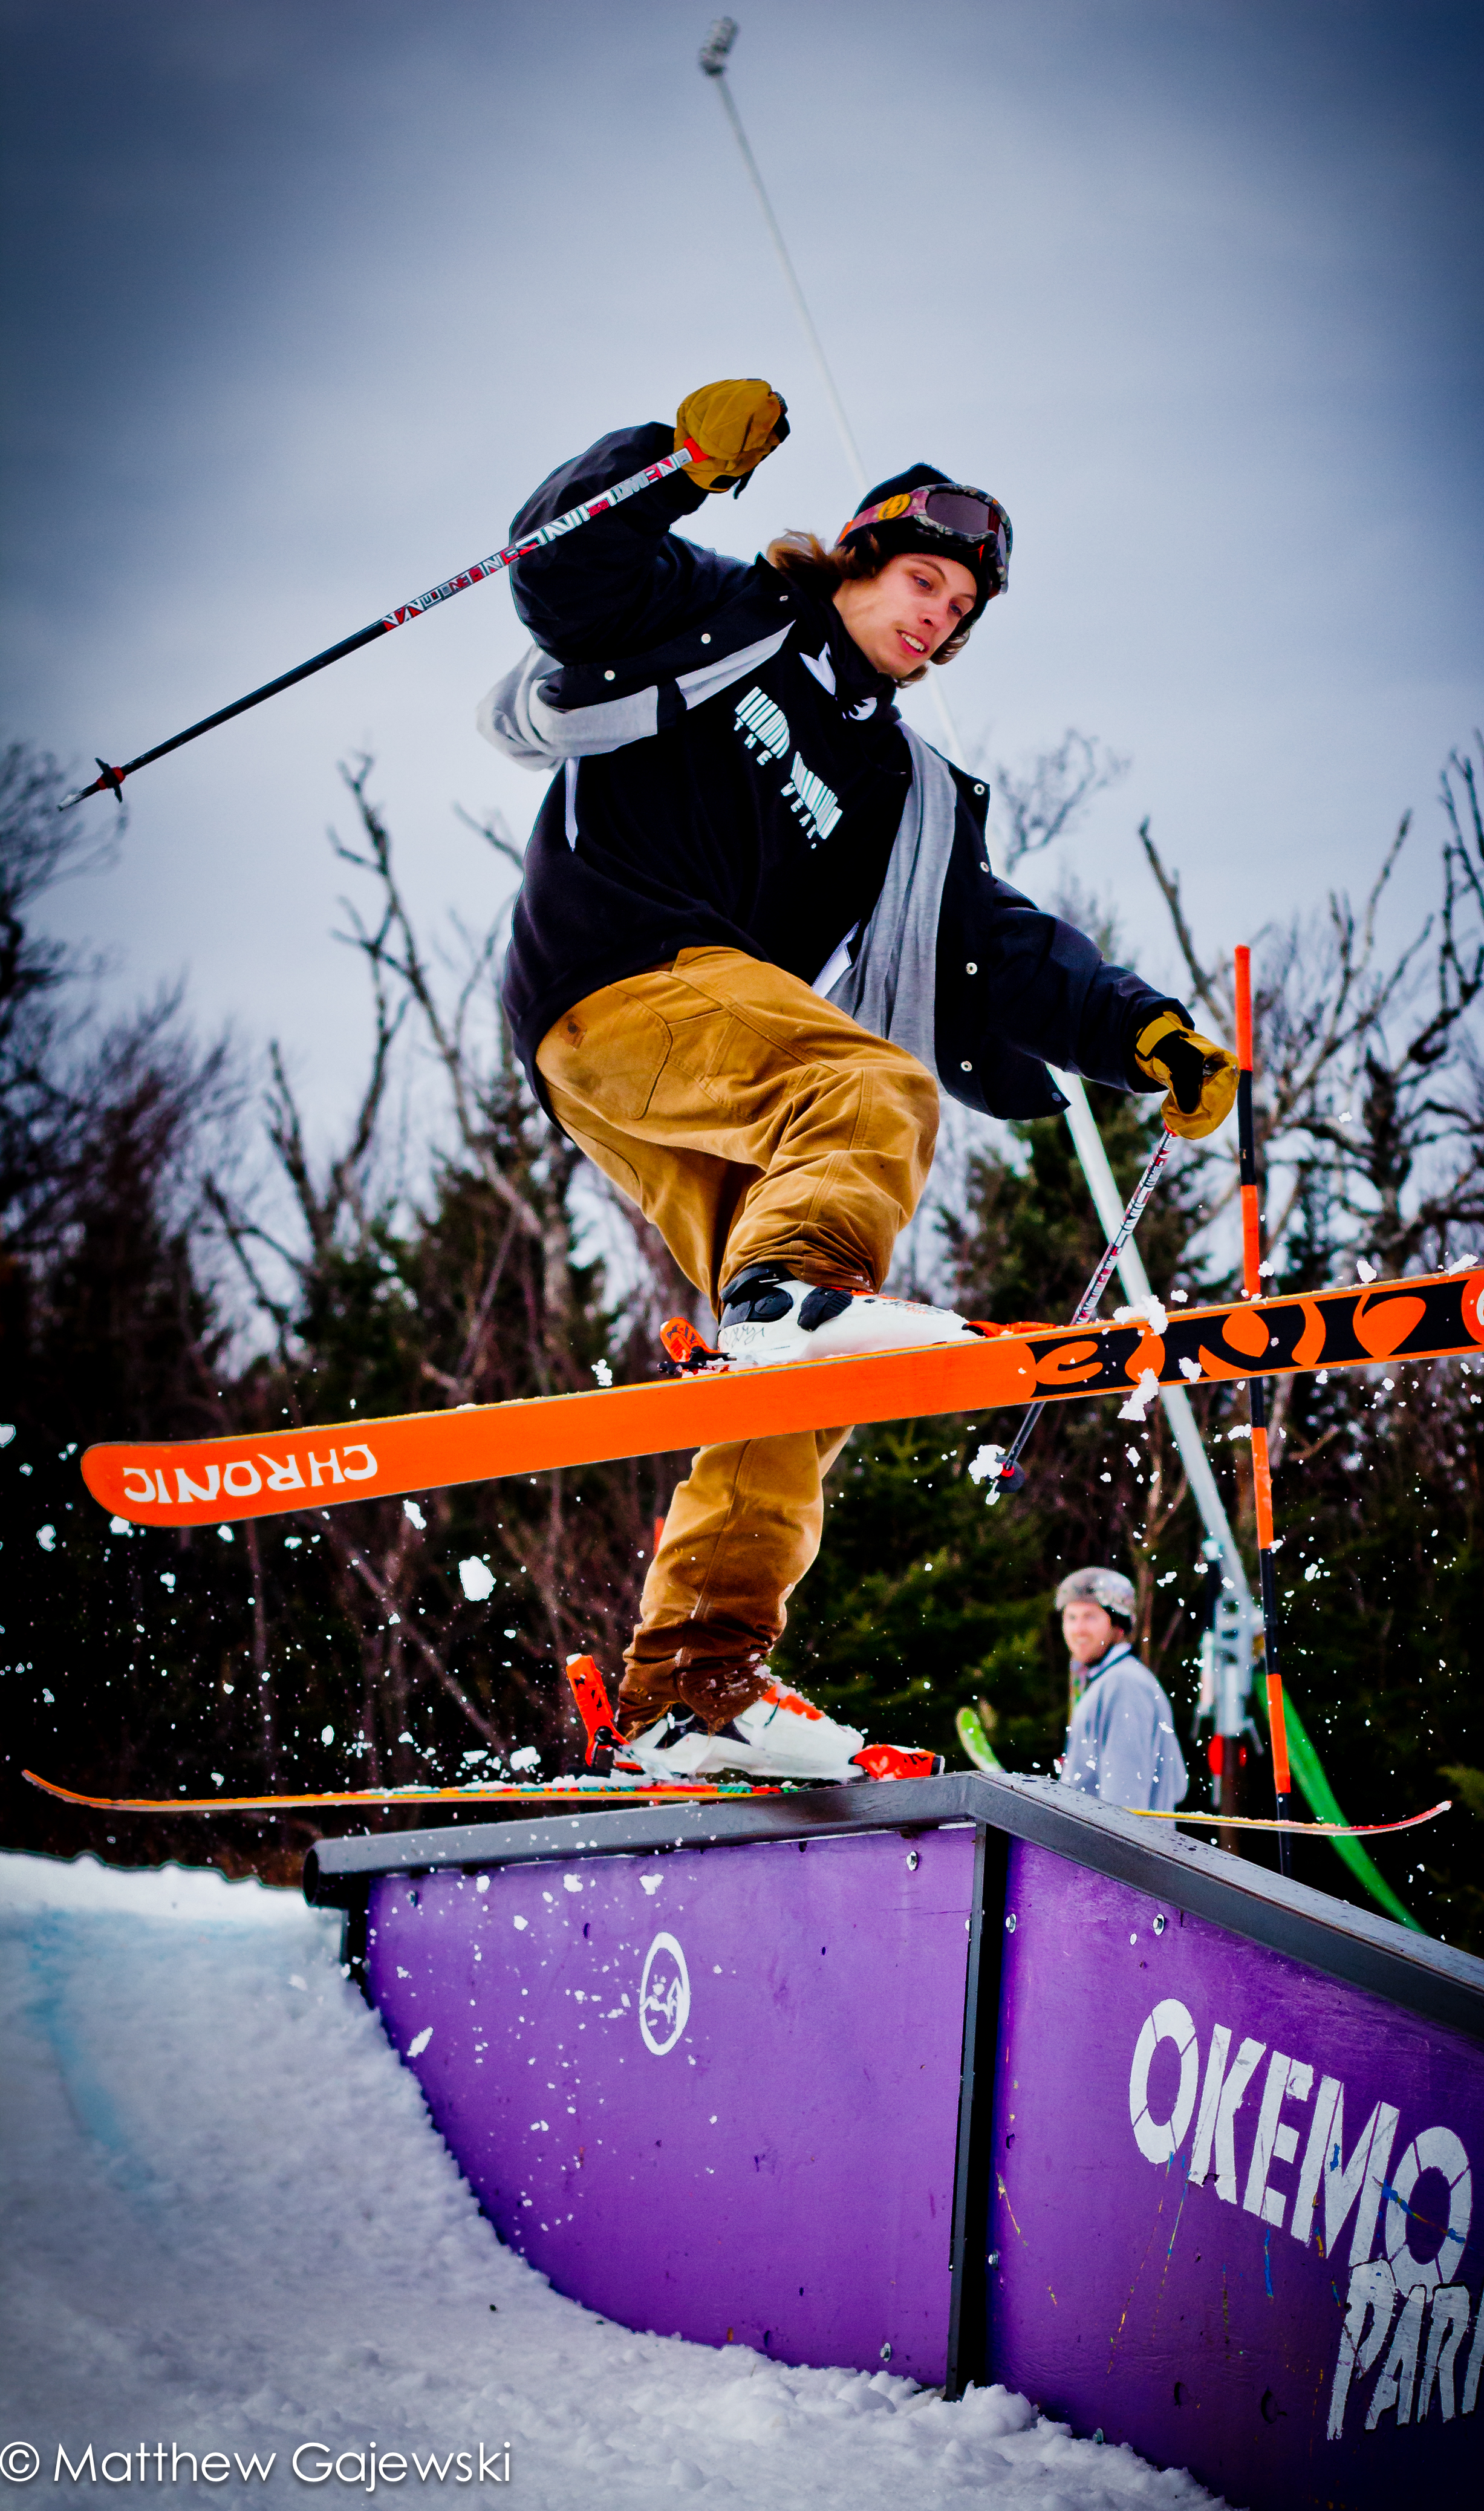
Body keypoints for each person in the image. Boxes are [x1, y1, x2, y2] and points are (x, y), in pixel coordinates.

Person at [480, 376, 1236, 1782]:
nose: (933, 619)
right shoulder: (720, 614)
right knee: (873, 1094)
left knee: (794, 1384)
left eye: (956, 613)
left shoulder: (901, 797)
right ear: (858, 552)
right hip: (610, 969)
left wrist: (1143, 1033)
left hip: (693, 1057)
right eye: (921, 580)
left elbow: (995, 948)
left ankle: (689, 1685)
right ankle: (787, 1301)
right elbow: (557, 569)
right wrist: (672, 465)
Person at [1056, 1568, 1188, 1818]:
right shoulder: (1106, 1683)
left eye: (1090, 1617)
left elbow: (1123, 1808)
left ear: (1118, 1624)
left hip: (1117, 1854)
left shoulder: (1124, 1685)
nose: (1078, 1629)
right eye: (1071, 1617)